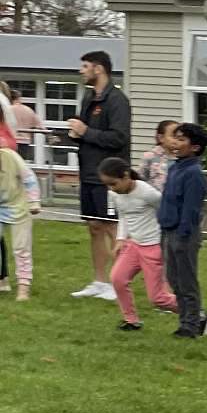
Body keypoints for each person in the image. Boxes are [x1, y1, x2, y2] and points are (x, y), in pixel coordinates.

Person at [65, 50, 132, 299]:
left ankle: (118, 283)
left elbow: (119, 138)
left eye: (85, 66)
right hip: (89, 174)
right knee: (94, 227)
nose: (81, 71)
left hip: (110, 177)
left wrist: (86, 132)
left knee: (112, 228)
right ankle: (99, 282)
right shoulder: (88, 97)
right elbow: (86, 132)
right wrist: (74, 135)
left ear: (99, 69)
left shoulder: (117, 100)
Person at [100, 155, 177, 329]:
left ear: (126, 176)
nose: (111, 188)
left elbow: (166, 213)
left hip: (153, 247)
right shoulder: (115, 194)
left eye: (113, 183)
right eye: (107, 185)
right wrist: (121, 239)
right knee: (117, 279)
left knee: (157, 298)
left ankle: (194, 313)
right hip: (133, 245)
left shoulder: (148, 193)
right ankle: (131, 320)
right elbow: (124, 216)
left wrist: (166, 241)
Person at [157, 121, 207, 340]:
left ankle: (191, 325)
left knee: (186, 281)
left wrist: (182, 236)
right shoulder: (174, 168)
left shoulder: (194, 173)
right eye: (175, 138)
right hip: (168, 231)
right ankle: (185, 320)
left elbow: (191, 209)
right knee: (174, 279)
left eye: (181, 140)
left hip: (184, 235)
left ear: (195, 147)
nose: (175, 143)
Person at [0, 142, 41, 300]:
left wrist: (34, 202)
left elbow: (29, 178)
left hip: (18, 206)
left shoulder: (10, 156)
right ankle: (2, 281)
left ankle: (23, 288)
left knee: (21, 248)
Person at [140, 121, 177, 191]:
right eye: (173, 136)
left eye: (179, 137)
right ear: (161, 138)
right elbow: (141, 181)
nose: (177, 139)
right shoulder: (150, 156)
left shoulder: (181, 158)